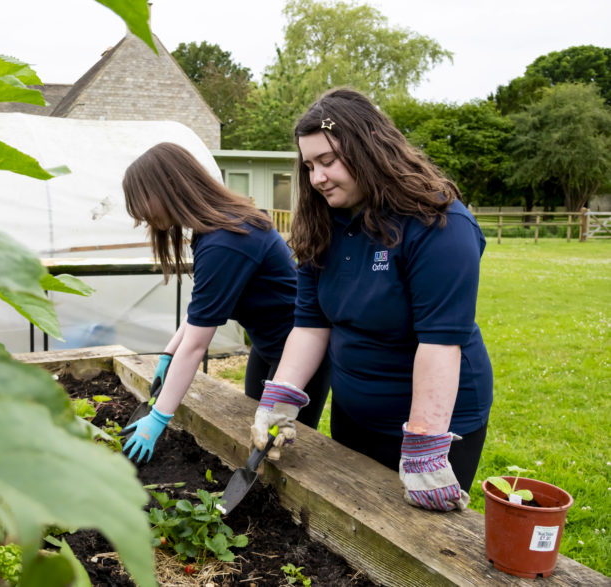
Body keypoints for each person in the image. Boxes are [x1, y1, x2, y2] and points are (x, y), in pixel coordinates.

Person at [250, 88, 492, 512]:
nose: (317, 178)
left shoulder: (439, 225)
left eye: (328, 161)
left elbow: (440, 342)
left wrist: (423, 444)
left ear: (369, 148)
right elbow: (310, 324)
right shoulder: (322, 224)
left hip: (437, 426)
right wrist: (280, 400)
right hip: (354, 413)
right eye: (309, 166)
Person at [120, 142, 330, 463]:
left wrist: (159, 418)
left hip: (300, 355)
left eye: (143, 205)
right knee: (253, 437)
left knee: (278, 453)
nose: (144, 218)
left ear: (169, 188)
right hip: (266, 345)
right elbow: (200, 310)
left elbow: (197, 344)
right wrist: (168, 353)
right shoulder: (214, 230)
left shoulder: (227, 240)